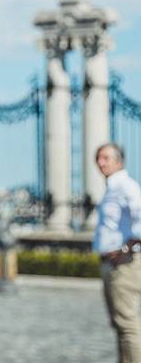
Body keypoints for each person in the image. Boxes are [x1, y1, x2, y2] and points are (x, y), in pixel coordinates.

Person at [93, 143, 141, 363]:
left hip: (124, 263)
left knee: (128, 324)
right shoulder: (112, 187)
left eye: (105, 158)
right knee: (119, 324)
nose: (100, 162)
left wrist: (126, 248)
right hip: (112, 263)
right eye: (98, 158)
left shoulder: (125, 186)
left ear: (119, 162)